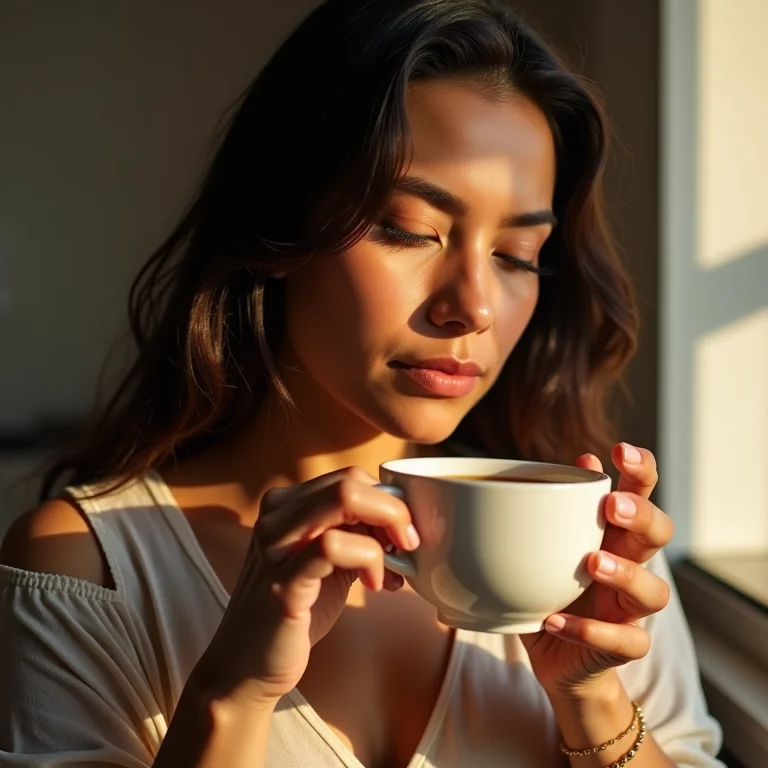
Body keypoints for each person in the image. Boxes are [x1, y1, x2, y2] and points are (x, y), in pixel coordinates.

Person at [0, 1, 723, 766]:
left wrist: (594, 701)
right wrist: (234, 694)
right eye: (410, 229)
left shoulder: (596, 558)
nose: (472, 306)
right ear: (280, 227)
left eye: (517, 255)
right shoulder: (90, 567)